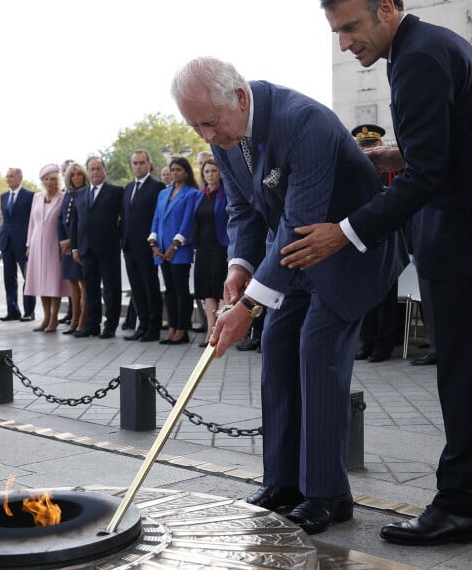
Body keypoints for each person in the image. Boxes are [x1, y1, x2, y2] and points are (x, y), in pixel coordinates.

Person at [288, 0, 472, 545]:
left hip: (466, 235)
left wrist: (344, 231)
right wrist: (390, 158)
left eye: (351, 28)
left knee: (462, 369)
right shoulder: (434, 44)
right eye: (336, 33)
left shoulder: (417, 60)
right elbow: (451, 145)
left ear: (386, 9)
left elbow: (430, 175)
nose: (346, 43)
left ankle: (457, 504)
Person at [172, 56, 405, 535]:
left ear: (239, 97)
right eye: (195, 128)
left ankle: (328, 494)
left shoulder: (304, 121)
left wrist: (248, 306)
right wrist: (239, 268)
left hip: (347, 251)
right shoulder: (225, 135)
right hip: (295, 254)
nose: (207, 139)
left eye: (210, 123)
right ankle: (282, 482)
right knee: (278, 345)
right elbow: (243, 212)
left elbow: (302, 218)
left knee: (317, 349)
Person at [350, 123, 403, 363]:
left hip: (387, 237)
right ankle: (367, 341)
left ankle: (384, 344)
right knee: (365, 295)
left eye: (371, 145)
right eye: (363, 146)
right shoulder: (356, 169)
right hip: (361, 238)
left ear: (380, 145)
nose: (367, 150)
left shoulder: (391, 169)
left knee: (385, 297)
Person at [148, 155, 201, 345]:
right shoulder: (163, 193)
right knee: (169, 290)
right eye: (172, 169)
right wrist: (154, 244)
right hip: (161, 250)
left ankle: (182, 329)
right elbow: (156, 219)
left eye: (179, 169)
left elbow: (187, 223)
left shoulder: (191, 193)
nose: (174, 173)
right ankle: (171, 327)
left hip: (179, 250)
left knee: (181, 290)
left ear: (186, 172)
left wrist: (174, 246)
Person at [72, 156, 123, 339]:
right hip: (86, 250)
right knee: (91, 289)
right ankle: (91, 325)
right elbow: (75, 222)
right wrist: (75, 247)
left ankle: (110, 326)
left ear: (105, 170)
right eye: (92, 169)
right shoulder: (80, 194)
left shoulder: (116, 192)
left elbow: (123, 220)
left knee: (111, 289)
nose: (95, 172)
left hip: (108, 248)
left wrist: (121, 240)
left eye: (98, 168)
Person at [121, 150, 165, 342]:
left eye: (141, 163)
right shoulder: (128, 187)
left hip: (147, 246)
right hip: (129, 246)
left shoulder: (157, 187)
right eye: (135, 163)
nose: (138, 166)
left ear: (149, 164)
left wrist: (154, 242)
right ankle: (143, 324)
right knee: (136, 288)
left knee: (150, 287)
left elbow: (158, 217)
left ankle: (154, 327)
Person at [24, 164, 69, 333]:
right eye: (47, 179)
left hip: (53, 243)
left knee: (53, 282)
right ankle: (45, 316)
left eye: (53, 179)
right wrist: (28, 244)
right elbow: (32, 223)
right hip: (36, 244)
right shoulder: (37, 197)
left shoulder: (63, 197)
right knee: (41, 282)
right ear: (42, 181)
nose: (50, 182)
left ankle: (54, 318)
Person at [192, 158, 230, 348]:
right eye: (207, 172)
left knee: (220, 289)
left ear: (220, 173)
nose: (210, 174)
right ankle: (210, 330)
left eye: (214, 171)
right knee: (206, 290)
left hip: (221, 247)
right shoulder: (200, 195)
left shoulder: (226, 193)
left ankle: (220, 332)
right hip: (203, 248)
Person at [0, 168, 36, 322]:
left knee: (28, 278)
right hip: (6, 242)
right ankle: (12, 311)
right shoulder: (4, 196)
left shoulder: (30, 196)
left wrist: (31, 242)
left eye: (11, 176)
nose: (8, 179)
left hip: (23, 243)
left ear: (20, 177)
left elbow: (33, 221)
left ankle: (29, 311)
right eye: (7, 177)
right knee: (9, 279)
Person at [59, 162, 89, 334]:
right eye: (73, 175)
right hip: (67, 248)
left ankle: (82, 321)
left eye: (79, 174)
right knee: (72, 284)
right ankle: (74, 318)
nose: (76, 178)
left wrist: (72, 241)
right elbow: (61, 220)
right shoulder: (67, 195)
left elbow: (83, 223)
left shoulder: (86, 193)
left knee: (84, 284)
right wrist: (62, 241)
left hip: (80, 245)